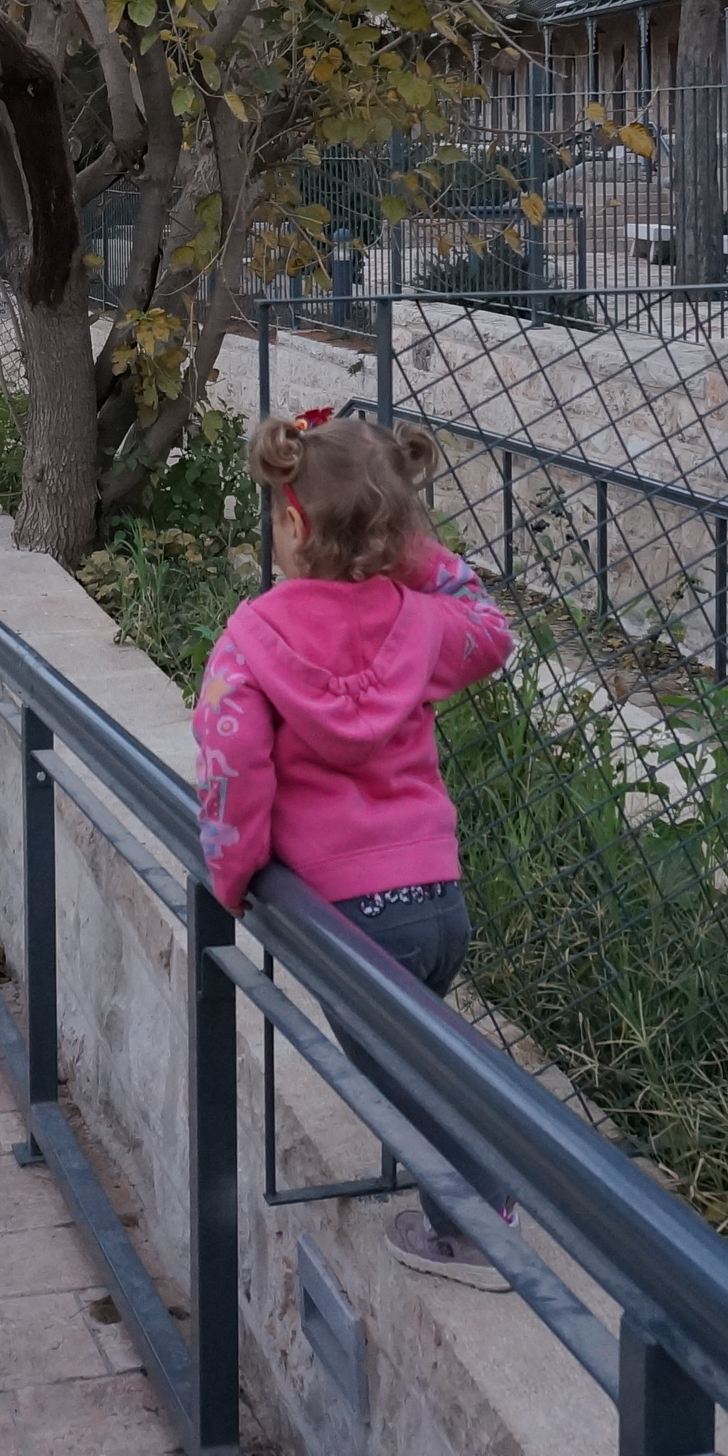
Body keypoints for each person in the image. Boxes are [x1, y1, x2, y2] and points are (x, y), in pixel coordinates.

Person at [194, 405, 519, 1288]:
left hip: (348, 918)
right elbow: (491, 627)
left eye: (276, 514)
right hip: (436, 902)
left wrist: (232, 874)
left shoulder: (251, 639)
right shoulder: (422, 622)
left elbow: (232, 763)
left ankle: (476, 1228)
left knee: (400, 1082)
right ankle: (493, 1167)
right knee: (424, 1053)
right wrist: (405, 550)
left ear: (294, 524)